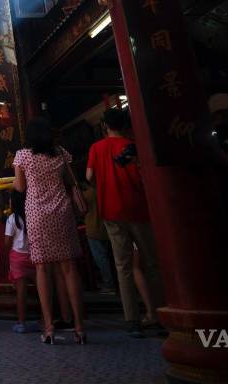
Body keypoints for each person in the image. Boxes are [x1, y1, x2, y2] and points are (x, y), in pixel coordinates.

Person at [85, 107, 163, 338]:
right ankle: (159, 313)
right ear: (126, 125)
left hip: (111, 210)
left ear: (105, 126)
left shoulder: (97, 148)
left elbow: (89, 177)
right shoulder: (134, 146)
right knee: (152, 263)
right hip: (139, 208)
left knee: (123, 265)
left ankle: (132, 319)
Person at [13, 118, 86, 345]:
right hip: (62, 211)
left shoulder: (23, 156)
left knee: (42, 268)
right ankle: (79, 327)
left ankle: (49, 327)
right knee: (69, 267)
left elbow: (20, 187)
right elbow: (70, 181)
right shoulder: (61, 153)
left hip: (37, 214)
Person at [4, 190, 38, 334]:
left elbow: (7, 242)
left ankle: (21, 322)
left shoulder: (12, 219)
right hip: (34, 256)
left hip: (18, 257)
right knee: (43, 290)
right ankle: (46, 320)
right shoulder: (33, 215)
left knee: (21, 293)